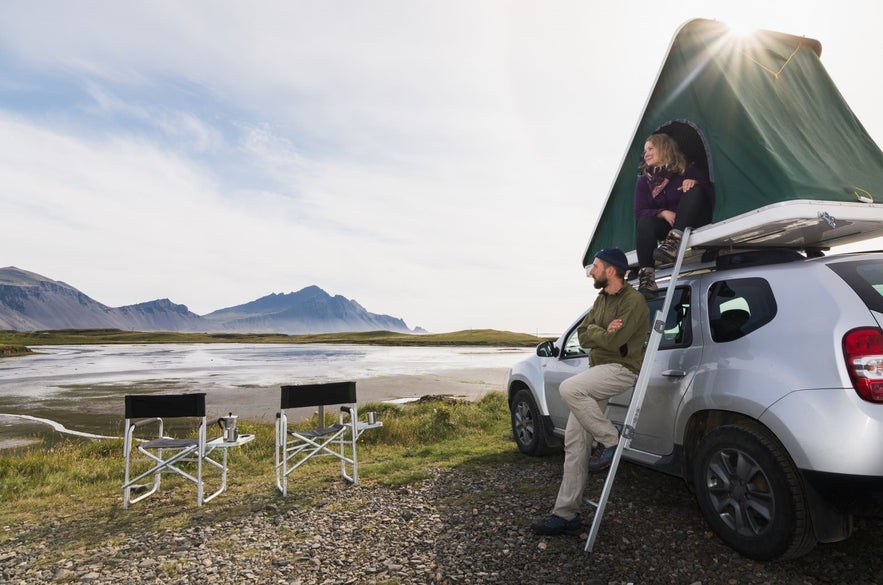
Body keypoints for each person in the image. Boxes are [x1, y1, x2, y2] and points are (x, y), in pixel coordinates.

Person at [530, 247, 649, 536]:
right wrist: (602, 332)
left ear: (610, 270)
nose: (591, 272)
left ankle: (610, 439)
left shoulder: (634, 301)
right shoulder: (600, 300)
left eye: (594, 266)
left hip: (622, 369)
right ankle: (566, 514)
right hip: (598, 370)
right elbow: (585, 334)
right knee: (574, 443)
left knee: (570, 388)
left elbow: (617, 340)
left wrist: (605, 334)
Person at [634, 133, 714, 299]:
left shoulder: (686, 170)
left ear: (664, 149)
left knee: (694, 188)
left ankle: (673, 243)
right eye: (644, 151)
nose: (646, 154)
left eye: (650, 149)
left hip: (691, 221)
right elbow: (640, 210)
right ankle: (647, 279)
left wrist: (693, 182)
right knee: (644, 223)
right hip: (668, 225)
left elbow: (709, 192)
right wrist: (662, 213)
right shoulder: (644, 181)